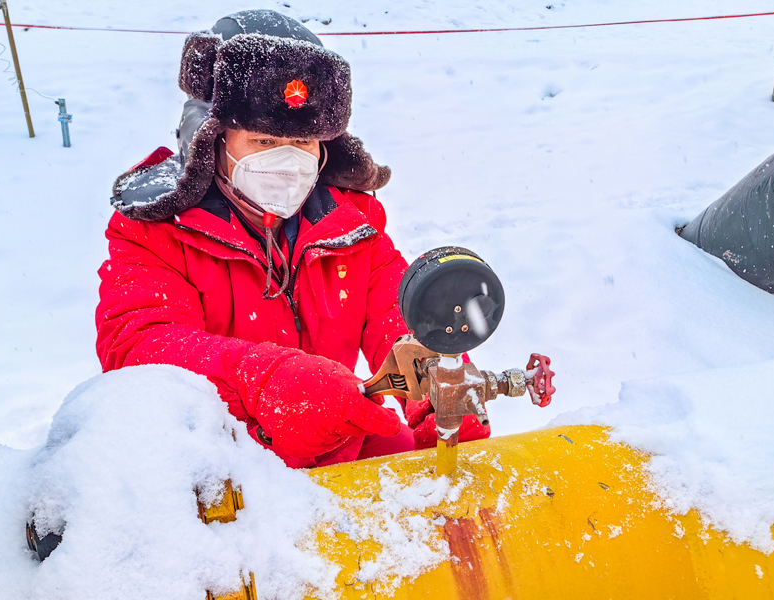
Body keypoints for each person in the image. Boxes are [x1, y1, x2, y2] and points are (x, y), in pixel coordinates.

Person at [95, 10, 489, 468]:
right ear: (210, 140)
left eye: (303, 144)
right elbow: (140, 347)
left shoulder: (351, 222)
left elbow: (395, 312)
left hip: (341, 438)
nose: (288, 160)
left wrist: (433, 383)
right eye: (264, 142)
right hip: (225, 469)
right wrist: (263, 380)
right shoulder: (154, 231)